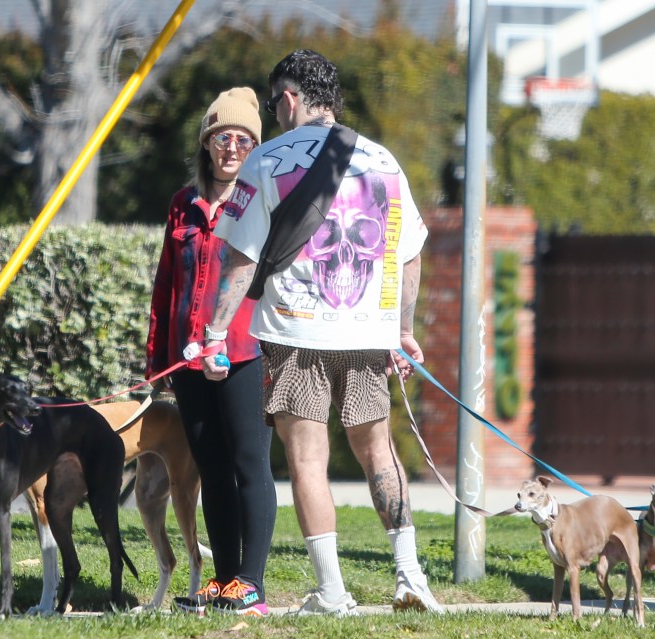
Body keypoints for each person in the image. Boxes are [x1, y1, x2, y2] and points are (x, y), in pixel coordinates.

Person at [200, 50, 444, 615]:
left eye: (273, 103)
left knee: (308, 460)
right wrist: (402, 329)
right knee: (378, 451)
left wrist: (215, 332)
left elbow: (240, 256)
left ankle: (333, 591)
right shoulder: (384, 161)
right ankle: (411, 577)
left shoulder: (266, 161)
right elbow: (410, 254)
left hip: (296, 330)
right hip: (365, 333)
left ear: (287, 99)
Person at [146, 87, 276, 618]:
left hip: (245, 351)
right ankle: (224, 582)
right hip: (190, 356)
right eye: (223, 137)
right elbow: (165, 282)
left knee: (250, 463)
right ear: (206, 143)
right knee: (212, 467)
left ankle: (253, 585)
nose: (232, 147)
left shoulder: (263, 200)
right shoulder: (183, 203)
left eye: (244, 139)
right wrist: (159, 359)